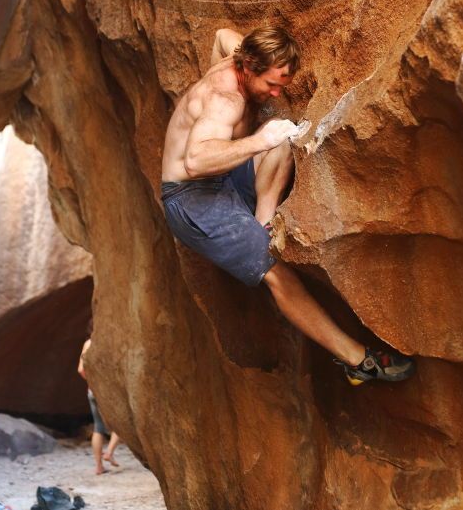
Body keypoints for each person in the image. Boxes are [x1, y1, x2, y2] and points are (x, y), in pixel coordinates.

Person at [160, 25, 415, 385]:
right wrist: (257, 140)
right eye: (272, 84)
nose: (277, 92)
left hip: (224, 179)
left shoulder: (238, 52)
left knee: (281, 135)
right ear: (249, 66)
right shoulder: (224, 100)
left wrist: (266, 135)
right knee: (277, 273)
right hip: (192, 200)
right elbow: (195, 162)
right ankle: (359, 362)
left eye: (283, 83)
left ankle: (263, 220)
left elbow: (220, 35)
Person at [78, 327, 121, 474]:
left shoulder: (87, 344)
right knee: (120, 423)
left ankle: (98, 466)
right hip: (107, 393)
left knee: (98, 427)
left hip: (92, 391)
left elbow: (80, 370)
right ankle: (109, 452)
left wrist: (92, 382)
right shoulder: (107, 344)